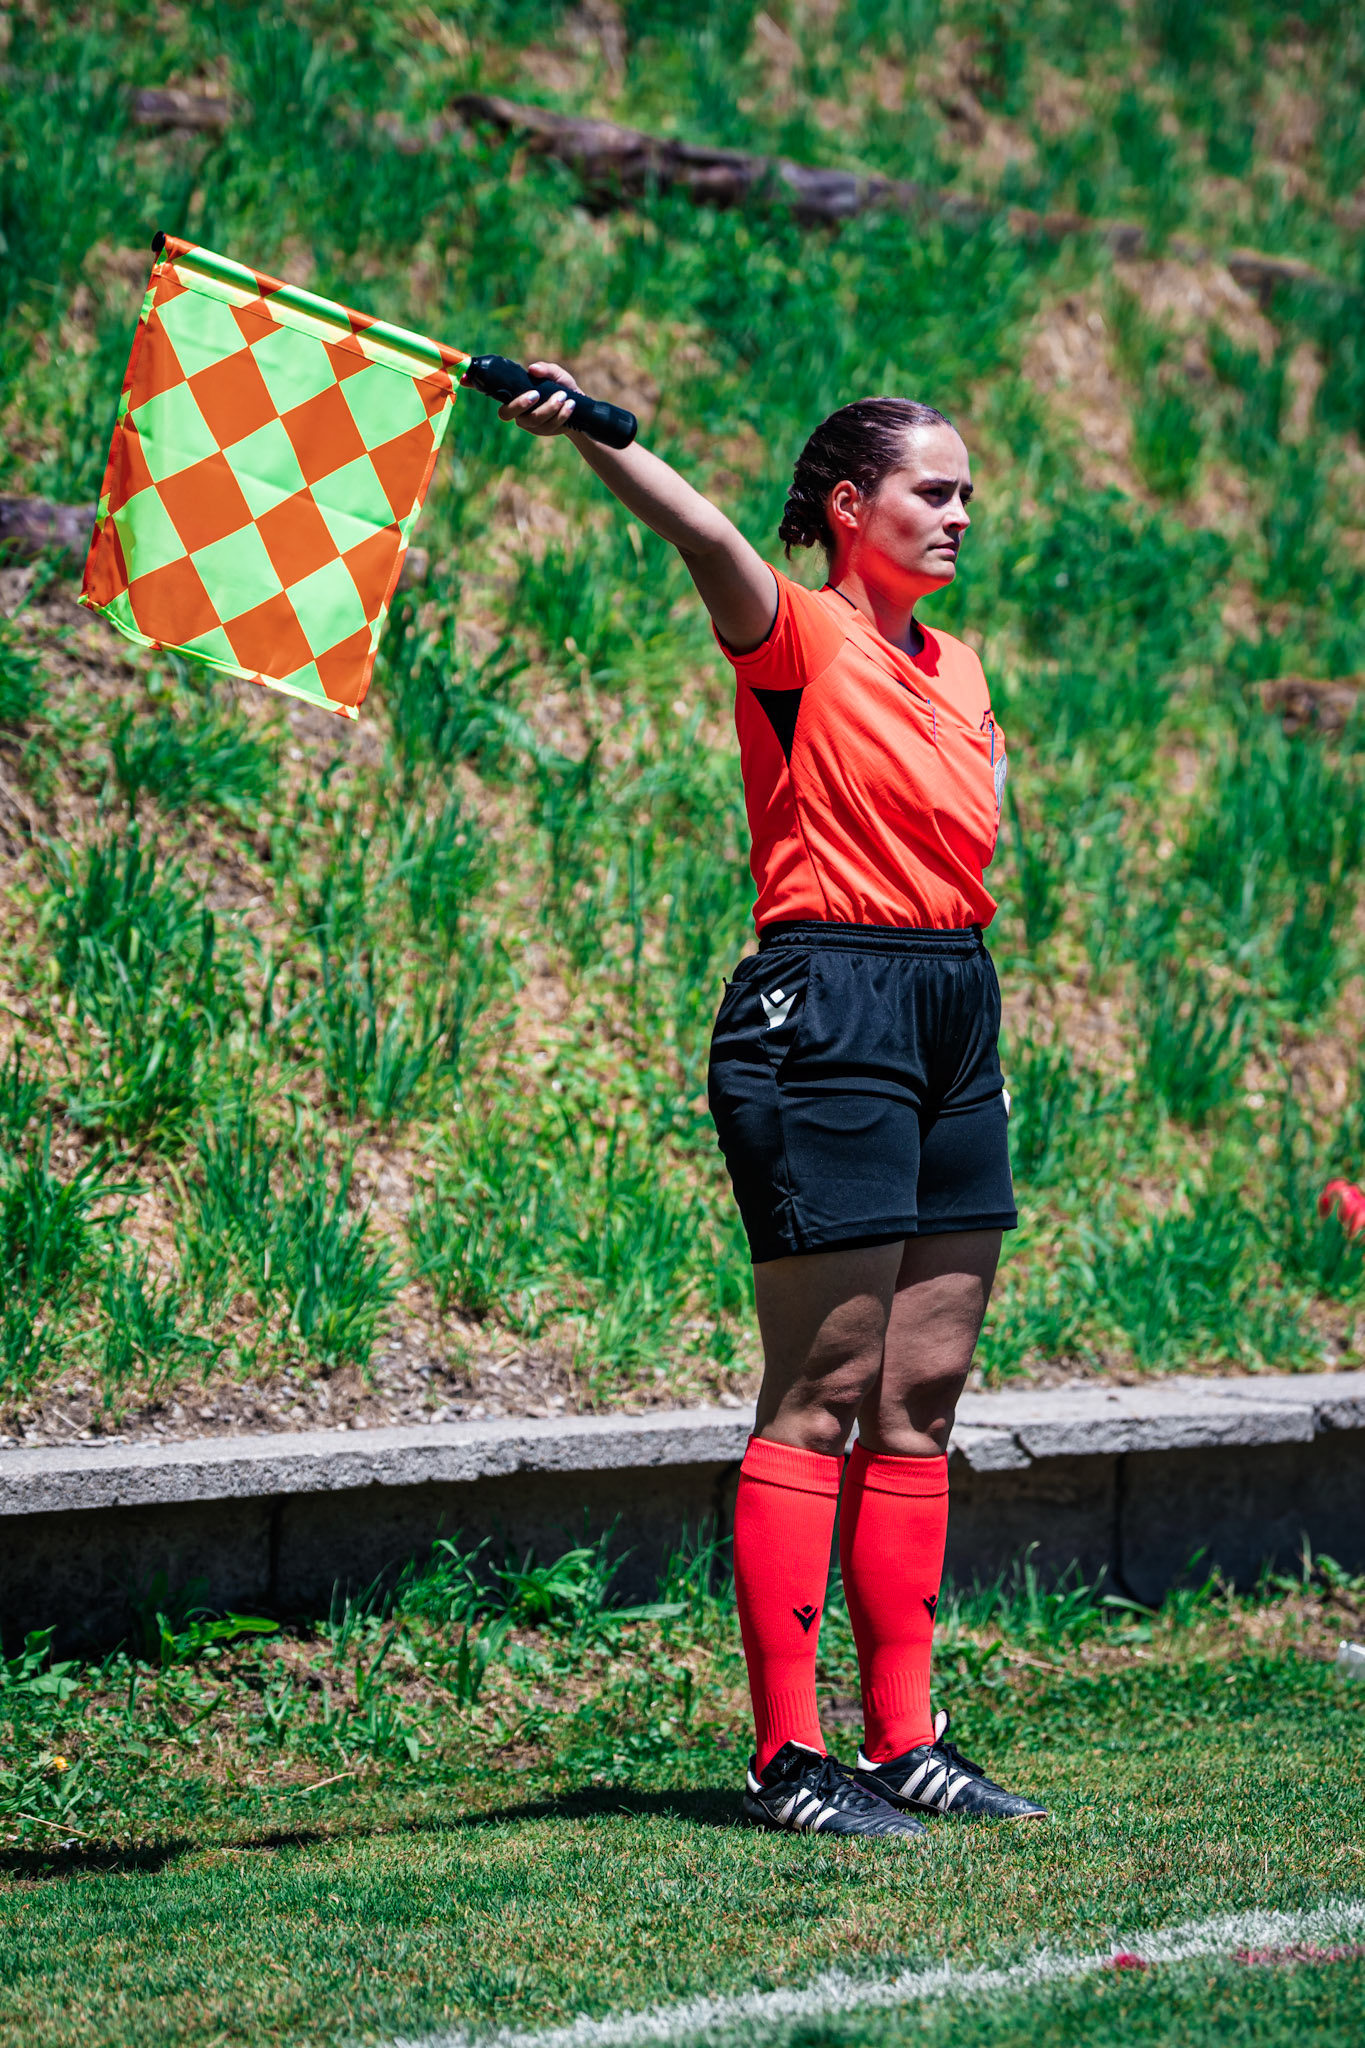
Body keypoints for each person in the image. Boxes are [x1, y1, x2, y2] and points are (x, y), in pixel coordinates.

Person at [487, 364, 1046, 1840]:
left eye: (968, 493)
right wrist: (598, 431)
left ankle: (907, 1741)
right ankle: (789, 1758)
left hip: (950, 1004)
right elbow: (706, 542)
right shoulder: (790, 633)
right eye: (934, 491)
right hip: (827, 1009)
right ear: (849, 510)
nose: (958, 515)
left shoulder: (964, 665)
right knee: (824, 1389)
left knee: (918, 1399)